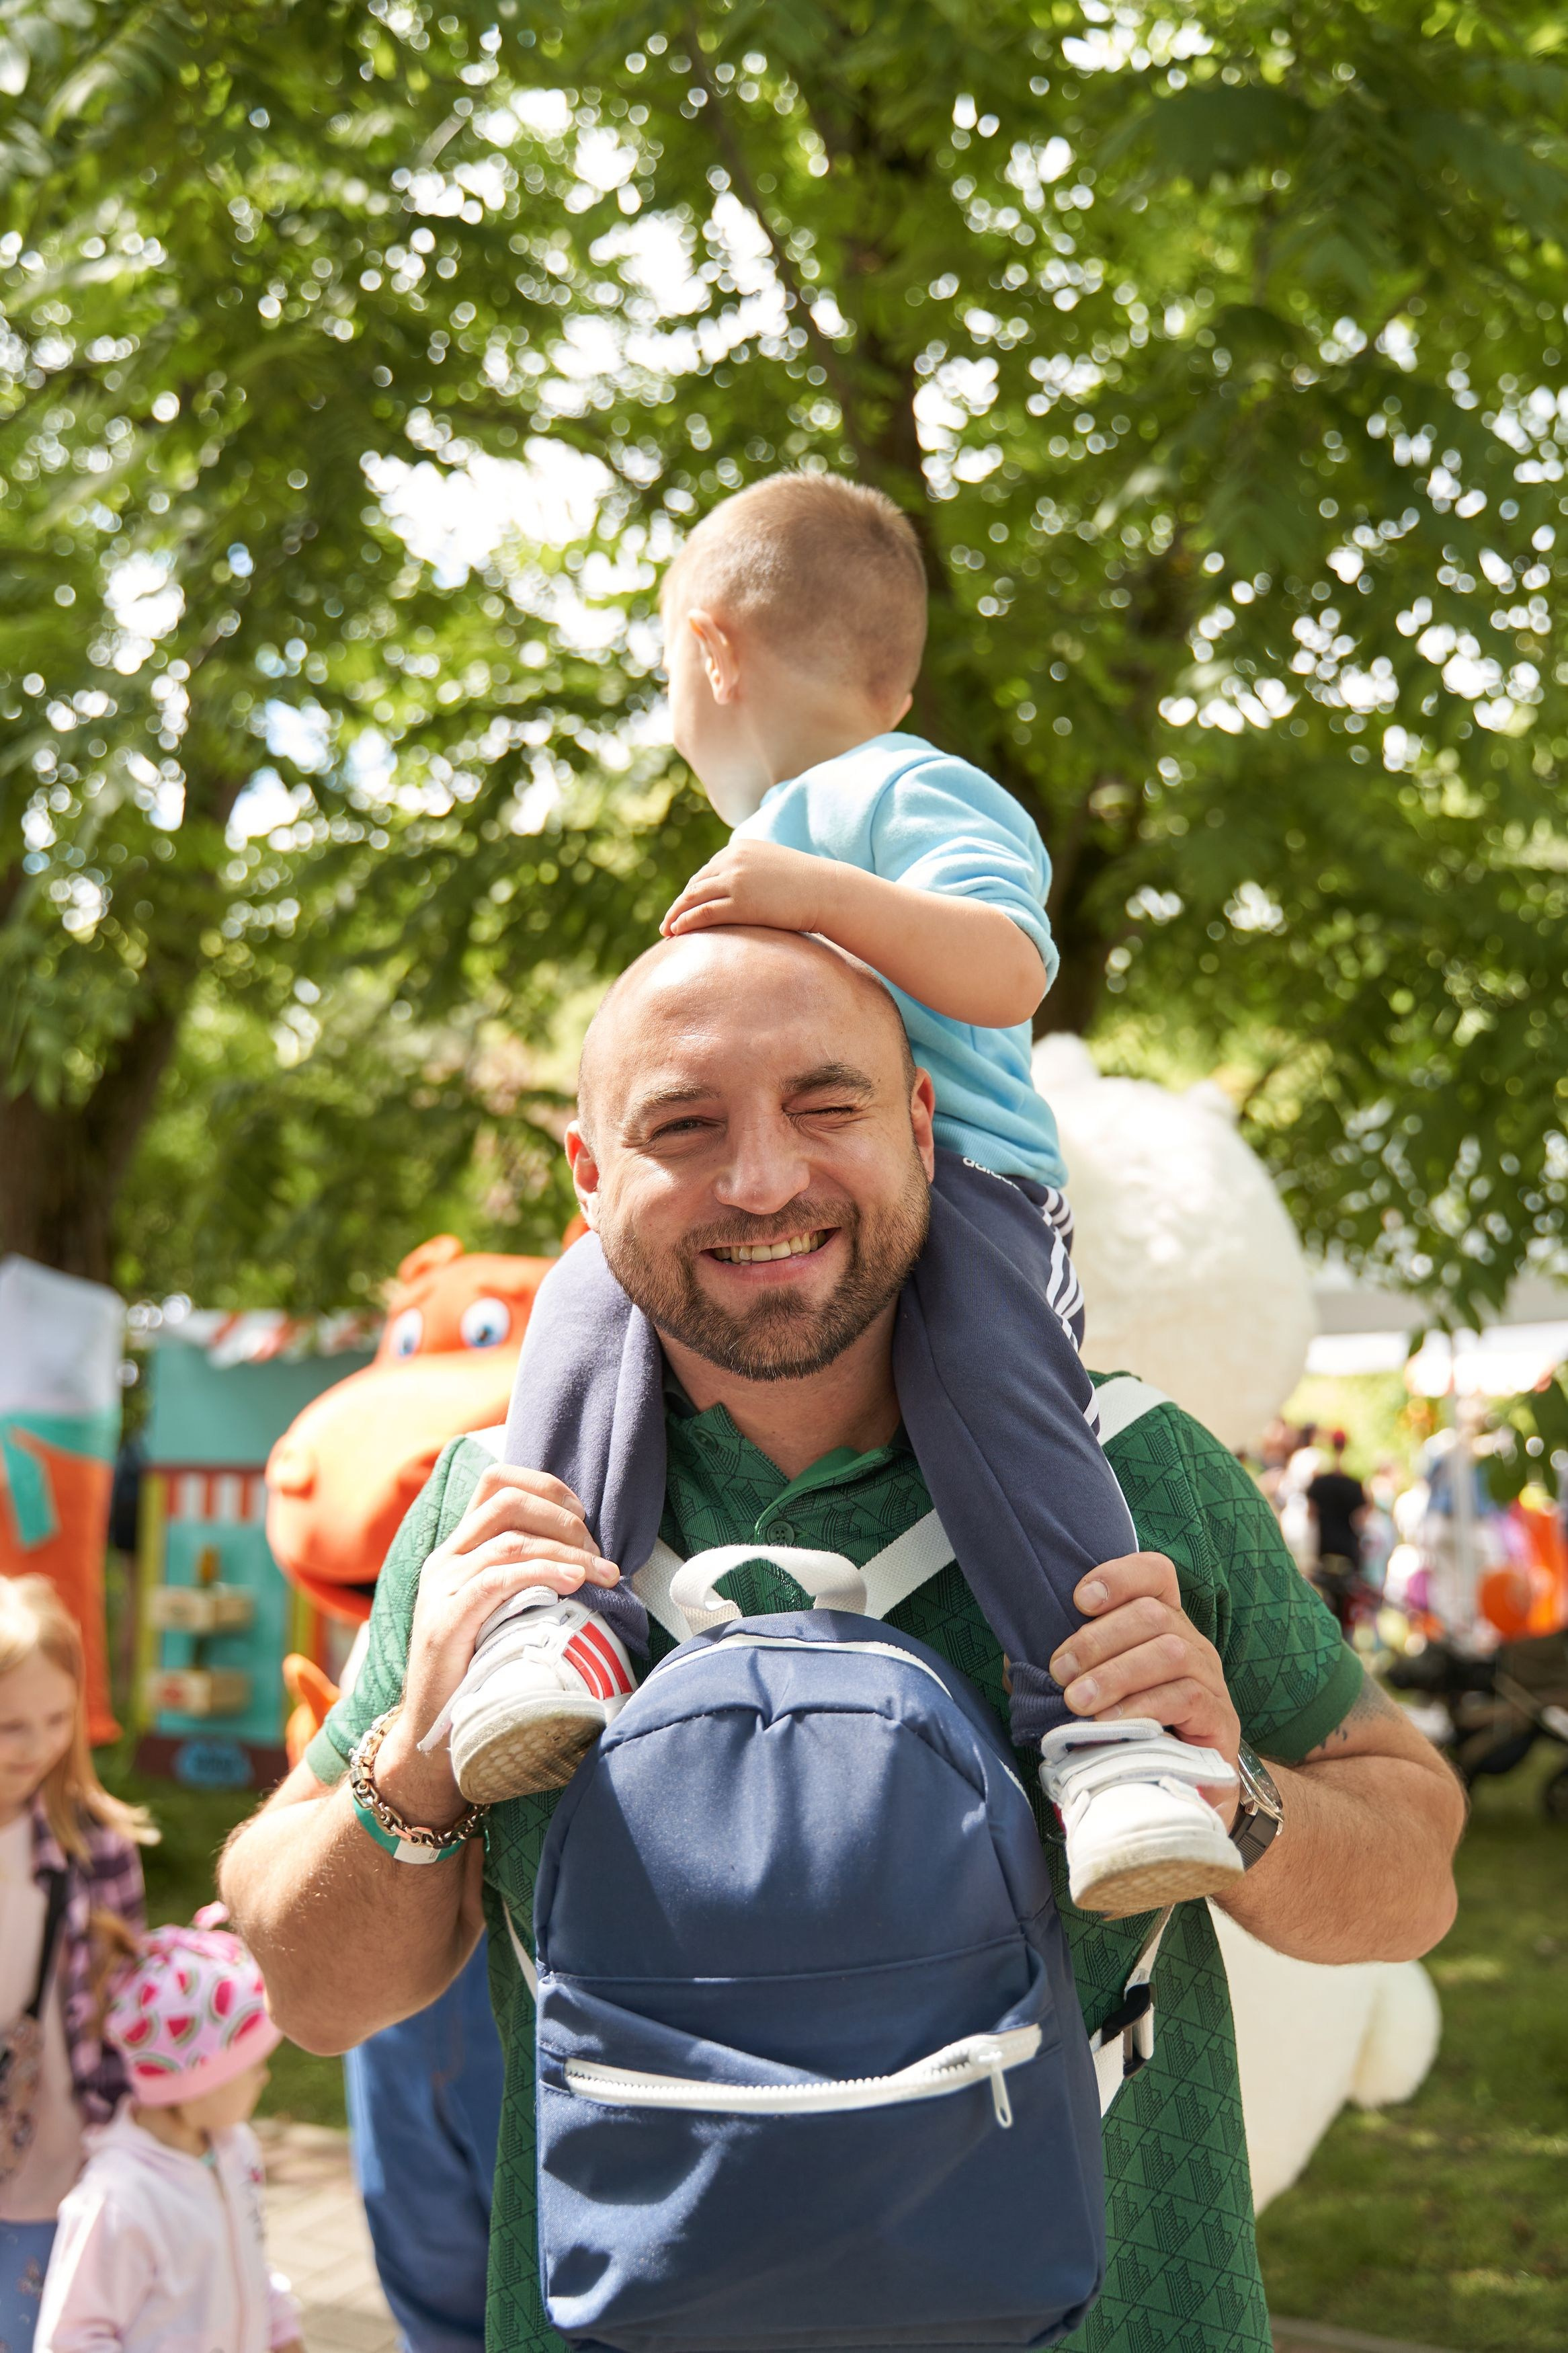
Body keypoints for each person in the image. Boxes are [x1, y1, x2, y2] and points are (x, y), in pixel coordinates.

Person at [220, 925, 1464, 2353]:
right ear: (588, 1174)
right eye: (683, 1126)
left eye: (826, 1105)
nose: (762, 1179)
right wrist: (417, 1761)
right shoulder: (498, 1511)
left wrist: (1230, 1790)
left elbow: (1412, 1878)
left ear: (920, 1126)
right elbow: (314, 1994)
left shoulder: (1131, 1474)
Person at [433, 471, 1233, 1917]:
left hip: (964, 1186)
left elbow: (1008, 966)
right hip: (835, 1198)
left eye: (665, 674)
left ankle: (1106, 1728)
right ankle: (559, 1619)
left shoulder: (901, 790)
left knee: (993, 1390)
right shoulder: (791, 833)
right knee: (581, 1302)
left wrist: (806, 894)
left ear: (710, 648)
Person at [0, 1577, 153, 2353]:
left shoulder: (95, 1843)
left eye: (58, 1719)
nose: (36, 1746)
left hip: (54, 2162)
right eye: (9, 1725)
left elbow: (124, 2002)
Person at [35, 1909, 301, 2353]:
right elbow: (72, 2339)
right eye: (252, 2065)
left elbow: (248, 2263)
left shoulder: (235, 2150)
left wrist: (282, 2331)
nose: (264, 2077)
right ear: (197, 2080)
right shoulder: (119, 2200)